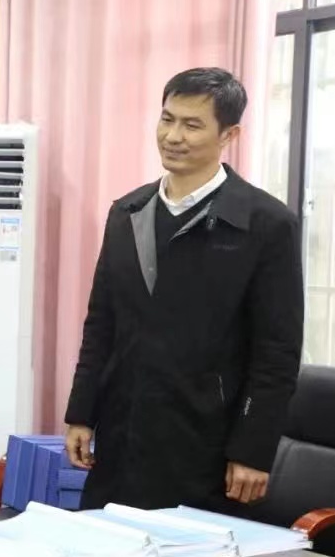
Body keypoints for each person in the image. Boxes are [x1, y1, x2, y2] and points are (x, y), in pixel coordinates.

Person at [64, 67, 304, 512]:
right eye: (167, 119)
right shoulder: (128, 212)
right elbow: (101, 324)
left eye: (192, 125)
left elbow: (277, 353)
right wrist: (81, 412)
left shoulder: (266, 224)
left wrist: (252, 449)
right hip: (123, 434)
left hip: (206, 443)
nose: (173, 136)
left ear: (229, 135)